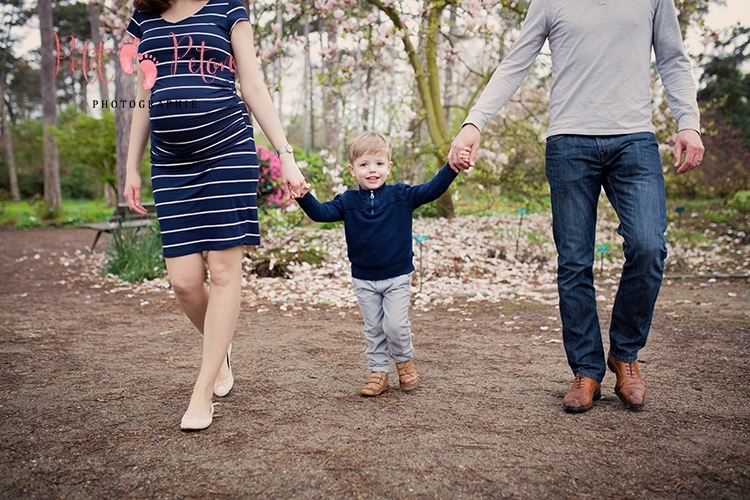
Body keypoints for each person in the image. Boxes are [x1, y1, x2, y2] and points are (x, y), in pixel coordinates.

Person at [449, 0, 705, 412]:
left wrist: (687, 122)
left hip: (634, 140)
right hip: (569, 143)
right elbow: (516, 62)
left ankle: (625, 355)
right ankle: (586, 369)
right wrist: (473, 122)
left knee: (648, 247)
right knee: (573, 261)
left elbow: (673, 59)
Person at [122, 0, 307, 431]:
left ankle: (203, 390)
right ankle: (218, 347)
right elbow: (144, 95)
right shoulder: (146, 16)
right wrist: (131, 167)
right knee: (184, 282)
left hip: (227, 151)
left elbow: (253, 86)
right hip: (170, 164)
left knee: (224, 272)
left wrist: (287, 157)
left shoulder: (228, 8)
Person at [295, 132, 460, 396]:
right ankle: (379, 371)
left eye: (379, 164)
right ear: (352, 170)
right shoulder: (347, 202)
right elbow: (321, 213)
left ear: (389, 167)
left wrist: (451, 168)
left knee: (394, 325)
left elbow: (432, 189)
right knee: (373, 328)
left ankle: (405, 363)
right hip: (364, 279)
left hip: (397, 277)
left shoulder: (401, 196)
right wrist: (304, 196)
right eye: (364, 165)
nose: (372, 170)